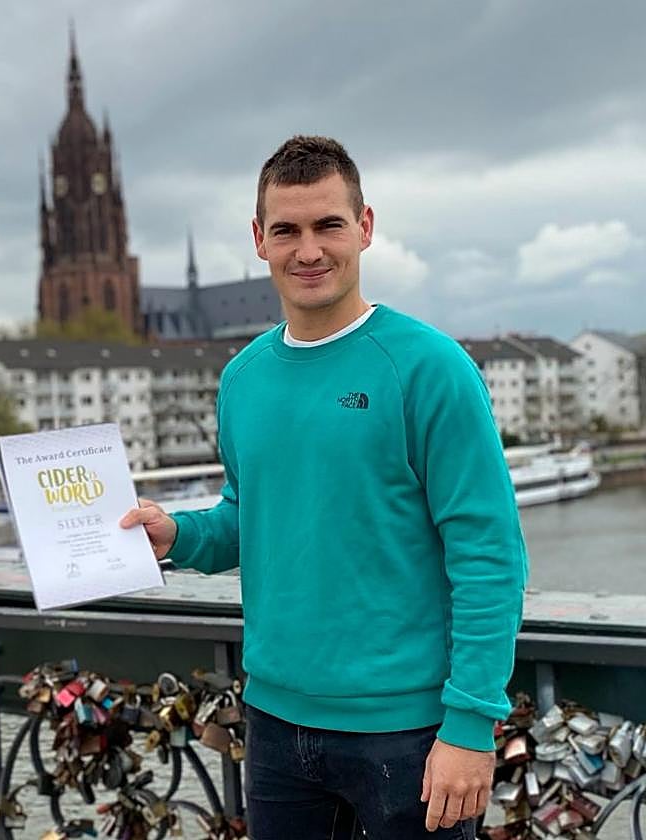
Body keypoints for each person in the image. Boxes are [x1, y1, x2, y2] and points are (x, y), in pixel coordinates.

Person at [121, 136, 526, 839]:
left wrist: (471, 724)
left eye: (328, 225)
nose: (308, 250)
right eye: (287, 230)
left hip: (409, 734)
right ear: (259, 240)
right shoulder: (243, 377)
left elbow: (490, 557)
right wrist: (177, 535)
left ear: (364, 227)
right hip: (277, 729)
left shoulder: (431, 367)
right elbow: (252, 517)